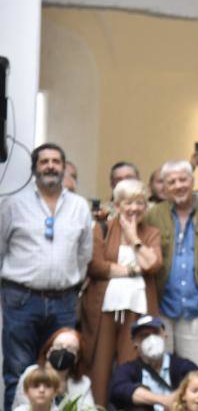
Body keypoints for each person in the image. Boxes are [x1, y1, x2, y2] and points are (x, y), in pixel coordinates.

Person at [0, 143, 93, 410]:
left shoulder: (79, 206)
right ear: (35, 169)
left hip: (63, 301)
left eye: (55, 161)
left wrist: (71, 281)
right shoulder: (13, 205)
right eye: (44, 162)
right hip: (21, 299)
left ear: (64, 168)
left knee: (61, 370)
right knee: (18, 371)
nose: (50, 166)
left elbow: (84, 254)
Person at [80, 179, 163, 406]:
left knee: (132, 368)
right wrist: (134, 269)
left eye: (140, 203)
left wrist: (135, 238)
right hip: (104, 311)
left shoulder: (151, 233)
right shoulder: (102, 229)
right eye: (128, 203)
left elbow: (153, 265)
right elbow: (96, 266)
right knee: (99, 369)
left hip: (138, 312)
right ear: (117, 205)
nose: (134, 208)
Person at [145, 160, 198, 370]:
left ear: (192, 181)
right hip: (163, 302)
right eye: (171, 182)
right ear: (164, 187)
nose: (178, 185)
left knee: (195, 370)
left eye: (183, 179)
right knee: (160, 368)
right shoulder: (154, 214)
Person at [109, 315, 198, 411]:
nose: (152, 339)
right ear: (135, 343)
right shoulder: (127, 369)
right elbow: (118, 390)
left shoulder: (182, 366)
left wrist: (178, 401)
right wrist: (164, 400)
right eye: (144, 335)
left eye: (156, 333)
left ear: (165, 335)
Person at [12, 328, 94, 410]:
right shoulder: (31, 373)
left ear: (76, 358)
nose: (63, 350)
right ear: (49, 351)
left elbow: (90, 409)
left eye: (70, 348)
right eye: (58, 346)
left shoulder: (83, 383)